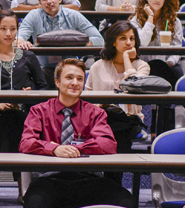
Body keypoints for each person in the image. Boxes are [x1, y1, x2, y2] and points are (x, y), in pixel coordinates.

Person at [19, 58, 136, 208]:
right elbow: (26, 142)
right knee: (35, 203)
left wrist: (73, 150)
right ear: (57, 82)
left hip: (89, 178)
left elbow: (108, 144)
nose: (75, 82)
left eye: (80, 79)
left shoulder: (96, 113)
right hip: (50, 179)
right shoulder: (39, 111)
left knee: (126, 202)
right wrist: (54, 149)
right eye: (69, 78)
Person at [0, 9, 48, 202]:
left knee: (16, 118)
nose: (8, 34)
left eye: (13, 29)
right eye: (3, 29)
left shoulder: (29, 57)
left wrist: (31, 93)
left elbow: (44, 89)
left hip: (25, 113)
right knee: (10, 118)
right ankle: (23, 185)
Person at [86, 21, 150, 120]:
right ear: (114, 42)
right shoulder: (97, 67)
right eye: (123, 38)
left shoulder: (142, 66)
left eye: (132, 38)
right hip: (101, 120)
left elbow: (133, 85)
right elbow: (88, 101)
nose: (129, 42)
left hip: (131, 121)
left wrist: (126, 57)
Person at [130, 0, 185, 84]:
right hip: (142, 66)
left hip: (168, 66)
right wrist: (150, 18)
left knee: (166, 69)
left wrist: (169, 62)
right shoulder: (136, 20)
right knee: (153, 68)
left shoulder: (174, 21)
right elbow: (142, 42)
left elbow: (177, 47)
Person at [16, 0, 104, 49]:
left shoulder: (73, 15)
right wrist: (22, 42)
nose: (49, 1)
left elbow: (99, 40)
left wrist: (79, 42)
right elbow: (18, 38)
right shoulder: (33, 15)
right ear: (40, 2)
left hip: (70, 66)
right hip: (42, 67)